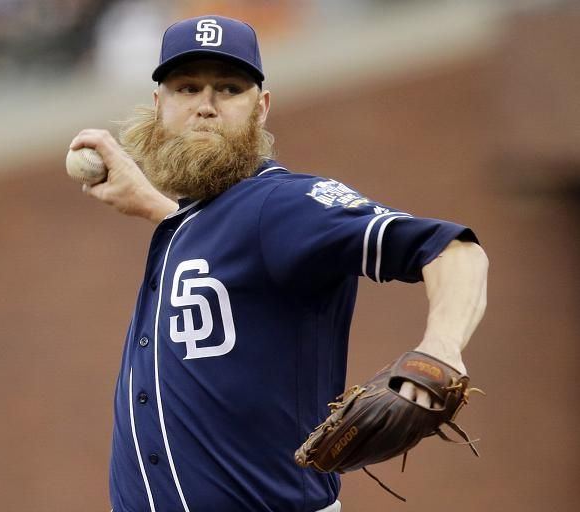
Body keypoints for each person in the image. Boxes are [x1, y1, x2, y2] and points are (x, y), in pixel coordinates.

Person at [69, 15, 488, 512]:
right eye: (187, 88)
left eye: (228, 88)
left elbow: (453, 251)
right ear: (160, 106)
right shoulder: (196, 224)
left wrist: (440, 350)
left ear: (261, 108)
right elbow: (228, 248)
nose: (206, 106)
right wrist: (154, 205)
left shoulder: (284, 205)